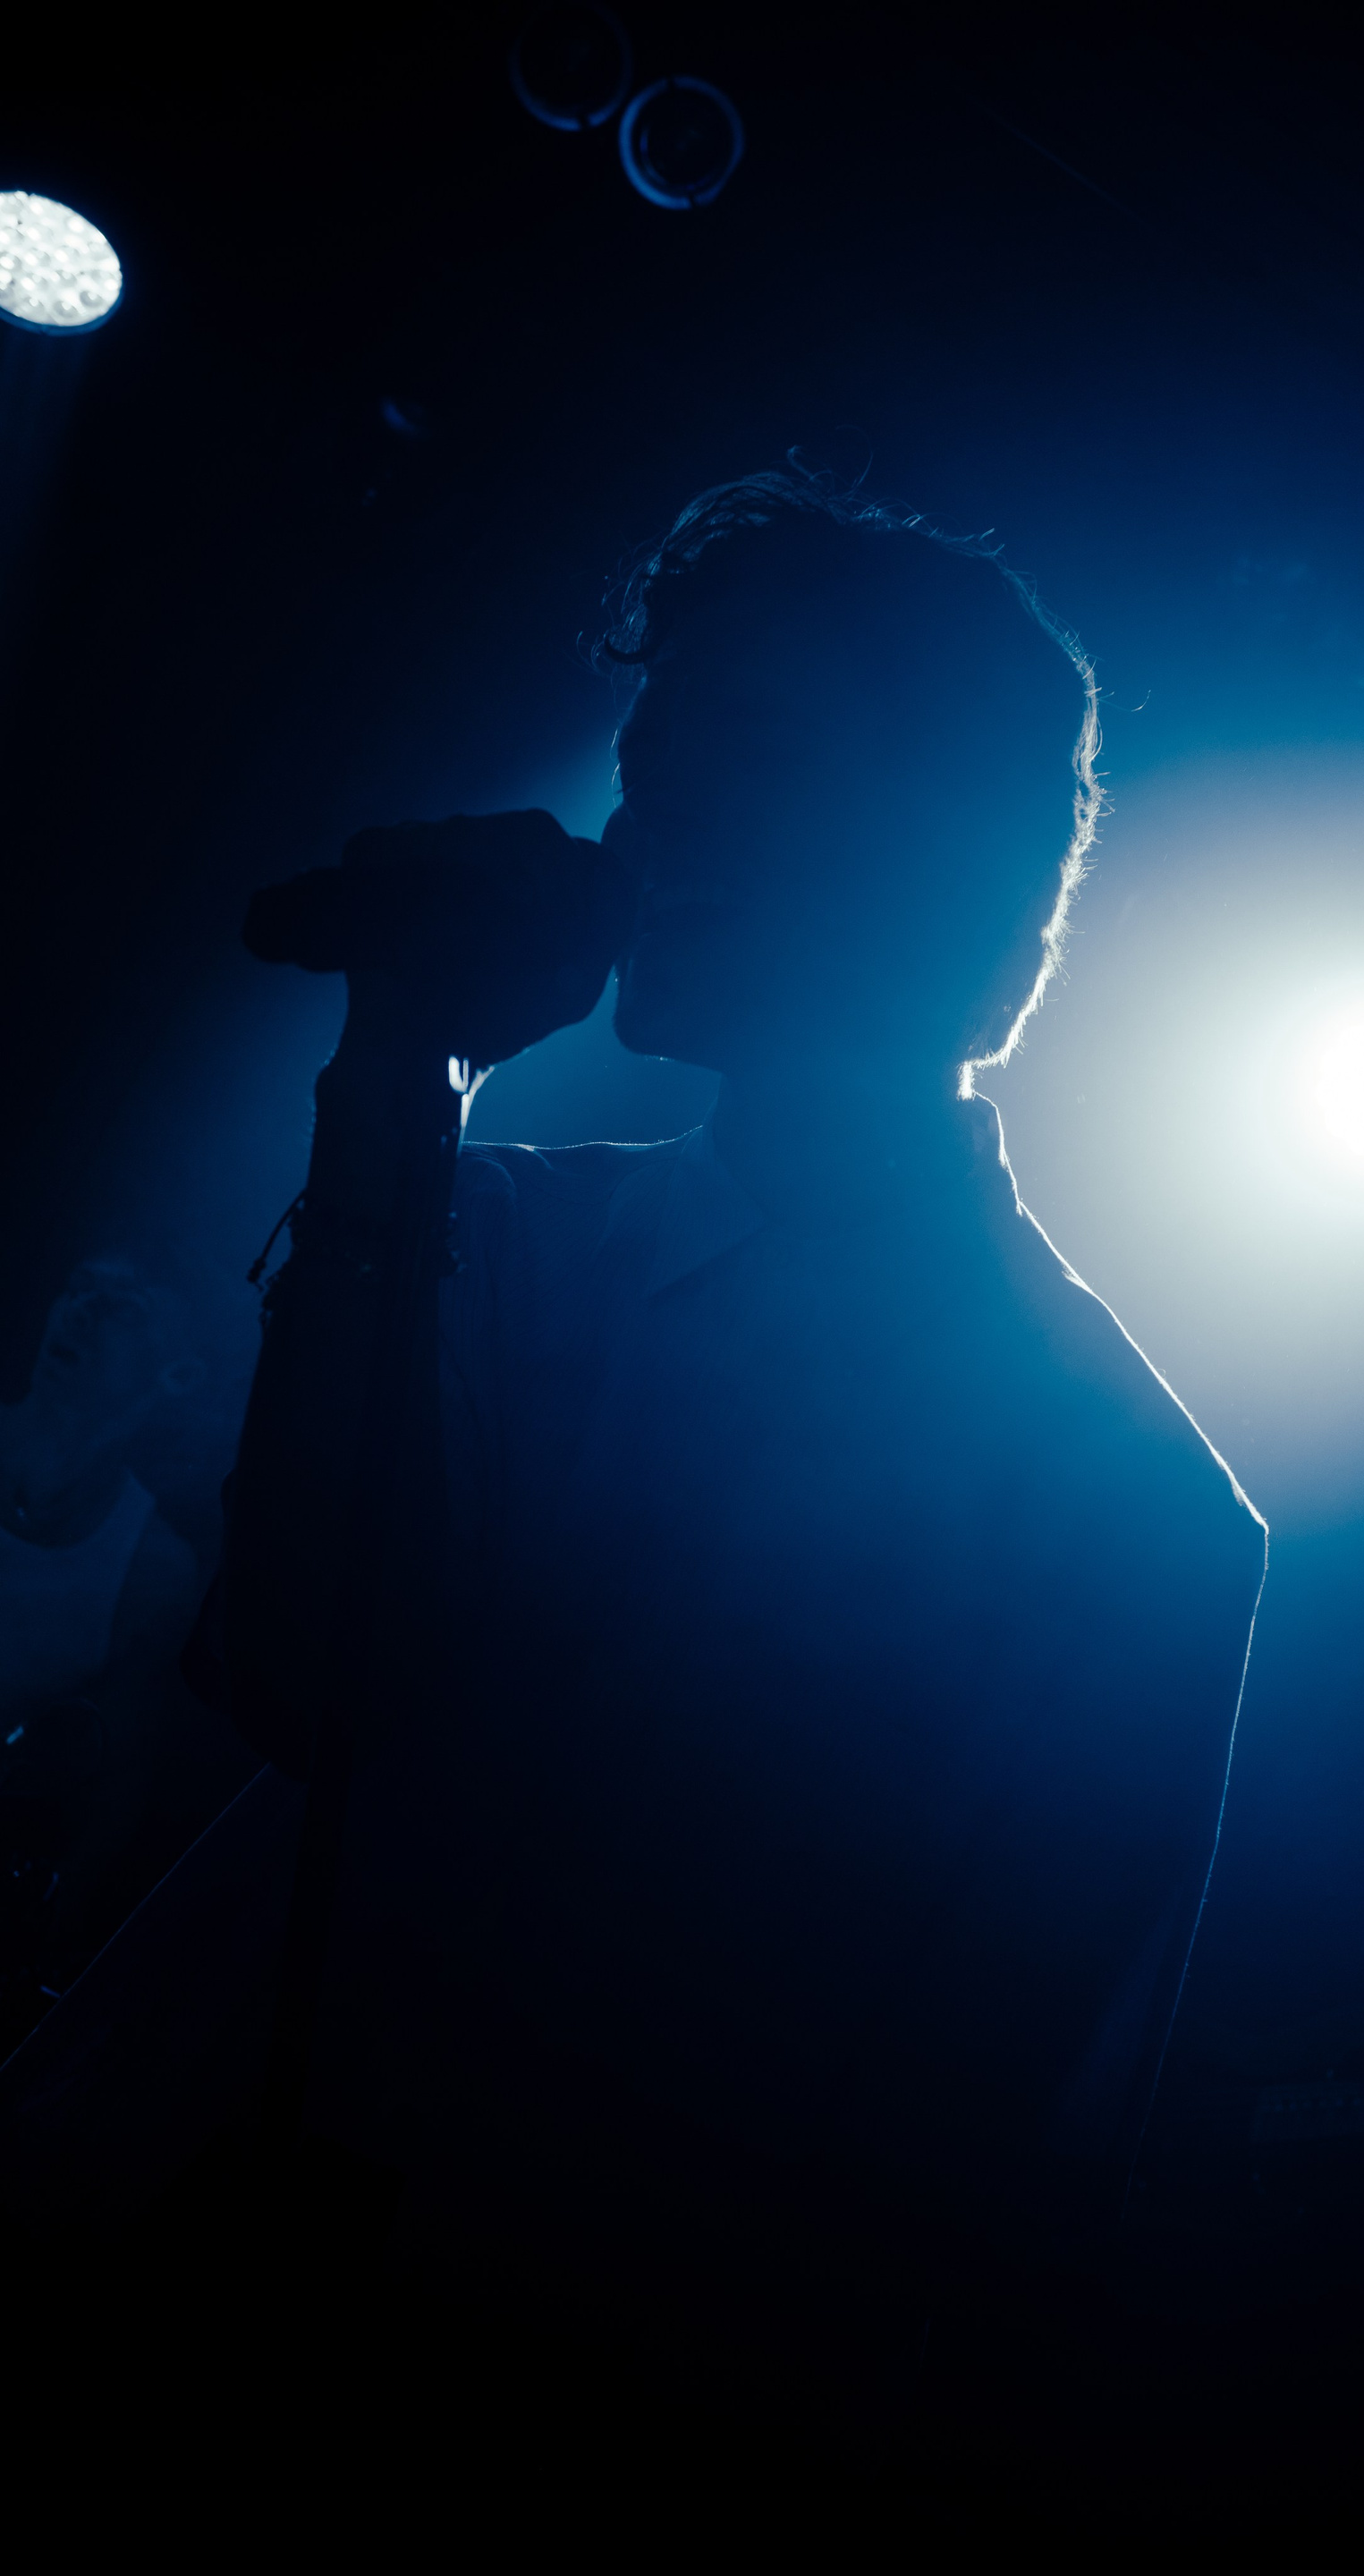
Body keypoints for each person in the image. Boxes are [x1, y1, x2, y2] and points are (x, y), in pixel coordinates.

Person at [13, 474, 1267, 2404]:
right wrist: (396, 1080)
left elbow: (996, 2181)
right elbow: (295, 1670)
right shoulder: (483, 1224)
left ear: (936, 850)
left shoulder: (1138, 1514)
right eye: (641, 769)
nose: (635, 830)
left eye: (725, 760)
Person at [0, 1258, 206, 2021]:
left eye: (124, 1308)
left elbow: (113, 1790)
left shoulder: (152, 1571)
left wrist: (42, 1956)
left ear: (178, 1374)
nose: (83, 1309)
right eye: (79, 1287)